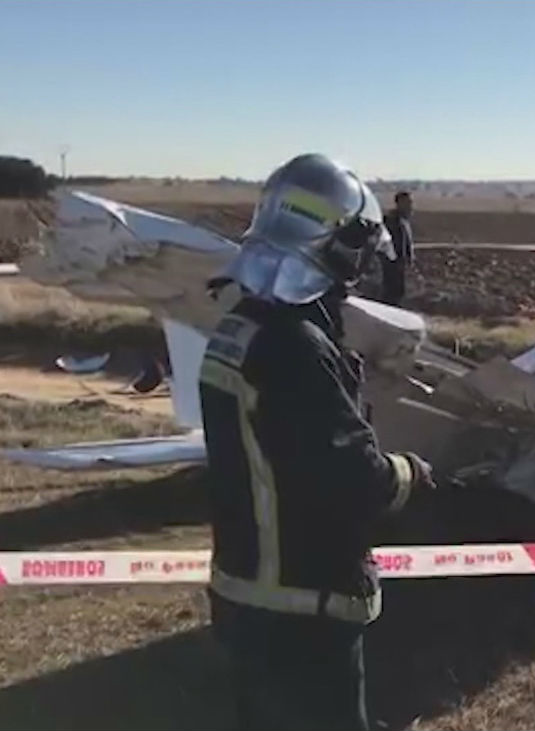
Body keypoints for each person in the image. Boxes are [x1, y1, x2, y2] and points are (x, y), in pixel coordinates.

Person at [199, 153, 437, 731]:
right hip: (304, 609)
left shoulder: (237, 327)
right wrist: (411, 474)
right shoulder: (295, 347)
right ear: (339, 247)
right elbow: (353, 479)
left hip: (243, 593)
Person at [378, 190, 415, 306]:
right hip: (392, 265)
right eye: (408, 203)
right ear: (400, 203)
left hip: (399, 265)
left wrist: (409, 258)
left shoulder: (403, 221)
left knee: (397, 292)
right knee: (392, 293)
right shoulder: (392, 221)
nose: (410, 206)